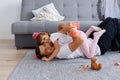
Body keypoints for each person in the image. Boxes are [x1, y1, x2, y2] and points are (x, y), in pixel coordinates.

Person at [33, 22, 106, 61]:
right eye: (46, 50)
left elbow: (79, 40)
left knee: (90, 55)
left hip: (84, 38)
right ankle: (91, 30)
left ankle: (96, 36)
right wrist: (66, 29)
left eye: (45, 44)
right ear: (48, 55)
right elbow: (79, 40)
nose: (47, 45)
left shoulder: (53, 40)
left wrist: (66, 28)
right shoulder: (59, 53)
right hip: (97, 46)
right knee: (112, 22)